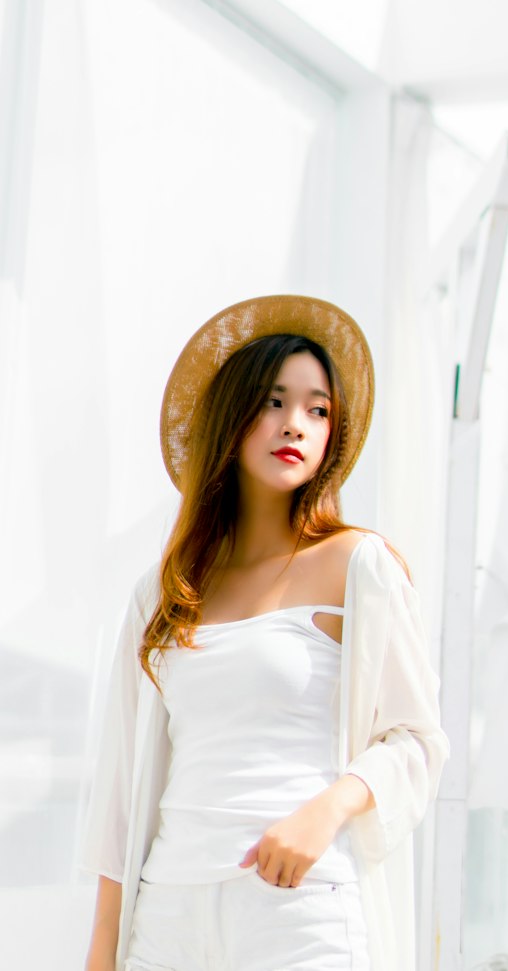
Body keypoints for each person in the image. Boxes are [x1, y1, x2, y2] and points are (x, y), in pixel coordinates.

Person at [79, 294, 449, 971]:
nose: (296, 424)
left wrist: (328, 810)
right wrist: (102, 952)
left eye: (318, 409)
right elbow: (120, 799)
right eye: (275, 401)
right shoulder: (164, 591)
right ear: (234, 412)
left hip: (300, 911)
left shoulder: (358, 565)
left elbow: (418, 739)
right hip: (168, 913)